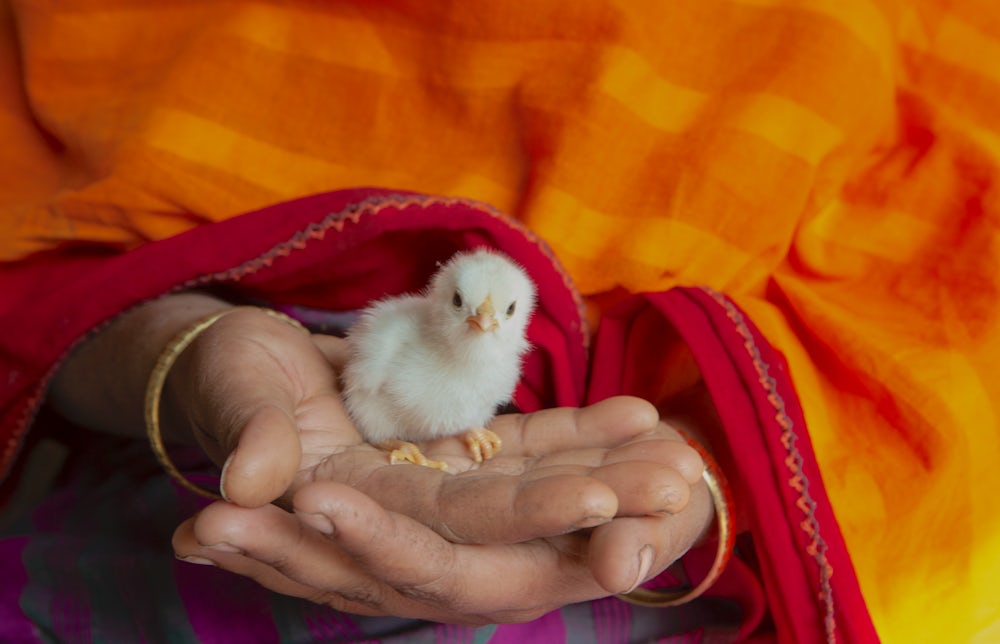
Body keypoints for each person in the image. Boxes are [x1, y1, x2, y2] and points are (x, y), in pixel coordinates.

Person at [1, 1, 997, 642]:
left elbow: (936, 275)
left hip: (697, 511)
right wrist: (177, 349)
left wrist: (718, 452)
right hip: (175, 438)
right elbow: (42, 223)